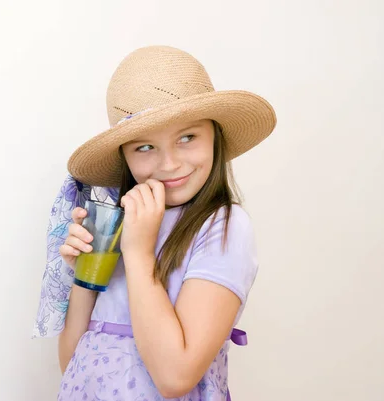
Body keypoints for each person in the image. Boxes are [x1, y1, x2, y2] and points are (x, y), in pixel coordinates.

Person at [32, 45, 277, 401]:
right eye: (144, 147)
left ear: (215, 138)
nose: (169, 164)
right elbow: (73, 364)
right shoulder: (120, 222)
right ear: (124, 157)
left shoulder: (222, 227)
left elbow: (175, 377)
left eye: (187, 137)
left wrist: (139, 253)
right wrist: (86, 273)